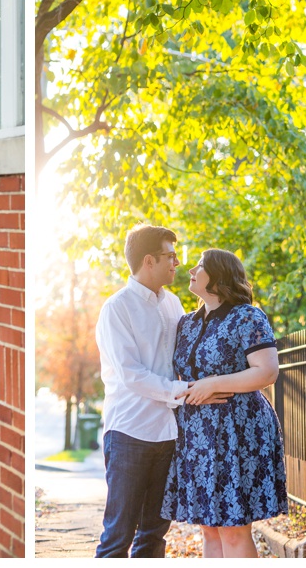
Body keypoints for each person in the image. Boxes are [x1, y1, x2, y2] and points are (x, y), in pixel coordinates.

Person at [162, 248, 287, 558]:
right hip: (198, 436)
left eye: (200, 265)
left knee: (233, 530)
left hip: (238, 432)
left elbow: (267, 371)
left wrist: (214, 384)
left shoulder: (247, 316)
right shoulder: (187, 323)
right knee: (210, 529)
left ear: (218, 276)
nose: (190, 269)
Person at [94, 224, 193, 558]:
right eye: (171, 255)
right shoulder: (117, 309)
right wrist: (183, 390)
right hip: (129, 433)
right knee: (118, 535)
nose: (176, 262)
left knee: (153, 536)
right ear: (149, 260)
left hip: (167, 433)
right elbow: (131, 374)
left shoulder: (174, 304)